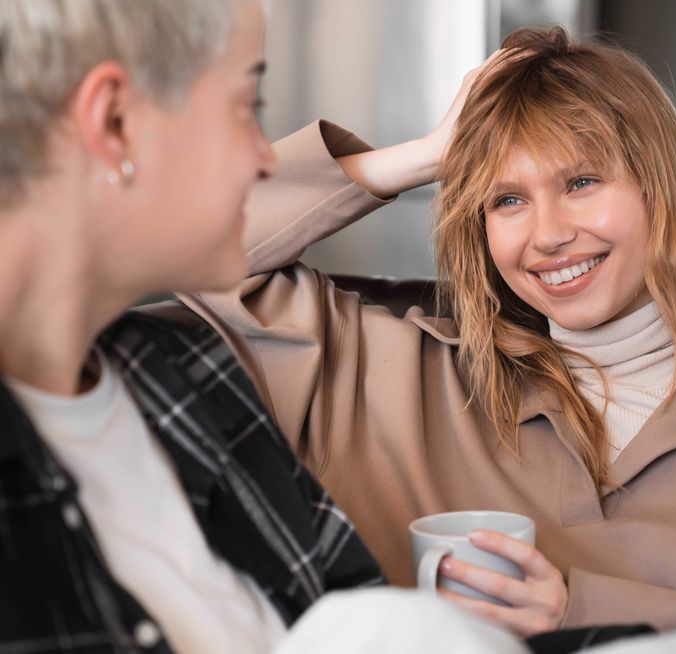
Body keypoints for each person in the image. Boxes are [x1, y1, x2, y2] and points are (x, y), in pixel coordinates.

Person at [181, 25, 676, 652]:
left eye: (581, 181)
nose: (548, 235)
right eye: (506, 200)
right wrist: (425, 156)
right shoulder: (389, 373)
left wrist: (581, 610)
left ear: (662, 189)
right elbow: (184, 242)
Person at [0, 1, 559, 652]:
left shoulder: (191, 379)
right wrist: (423, 156)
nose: (265, 160)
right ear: (116, 123)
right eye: (248, 107)